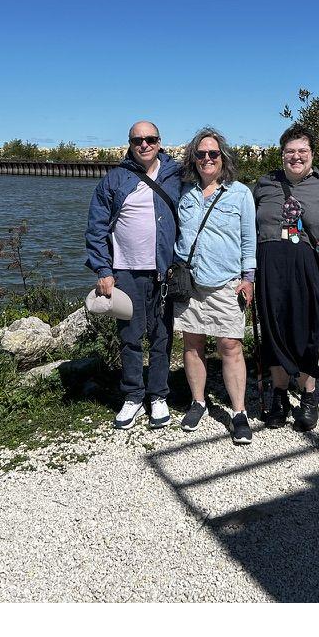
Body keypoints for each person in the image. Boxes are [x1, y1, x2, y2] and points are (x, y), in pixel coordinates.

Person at [85, 120, 182, 430]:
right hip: (125, 271)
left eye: (150, 139)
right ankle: (133, 395)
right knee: (129, 337)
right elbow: (96, 227)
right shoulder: (114, 179)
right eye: (137, 140)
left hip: (163, 270)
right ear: (130, 143)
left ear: (159, 141)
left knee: (161, 336)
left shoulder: (175, 175)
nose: (144, 144)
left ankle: (158, 395)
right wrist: (103, 269)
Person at [252, 123, 319, 431]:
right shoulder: (264, 184)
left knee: (309, 329)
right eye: (290, 151)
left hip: (308, 265)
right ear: (281, 155)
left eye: (302, 150)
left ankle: (308, 394)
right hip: (270, 264)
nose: (296, 156)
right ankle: (279, 394)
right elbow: (247, 228)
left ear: (312, 153)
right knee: (274, 328)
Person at [173, 128, 257, 445]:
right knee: (192, 343)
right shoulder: (184, 192)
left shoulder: (240, 194)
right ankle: (198, 402)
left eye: (213, 153)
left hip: (226, 282)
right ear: (193, 158)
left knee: (230, 346)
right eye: (201, 153)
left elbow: (249, 240)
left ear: (223, 157)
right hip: (190, 281)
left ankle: (238, 412)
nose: (207, 158)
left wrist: (249, 277)